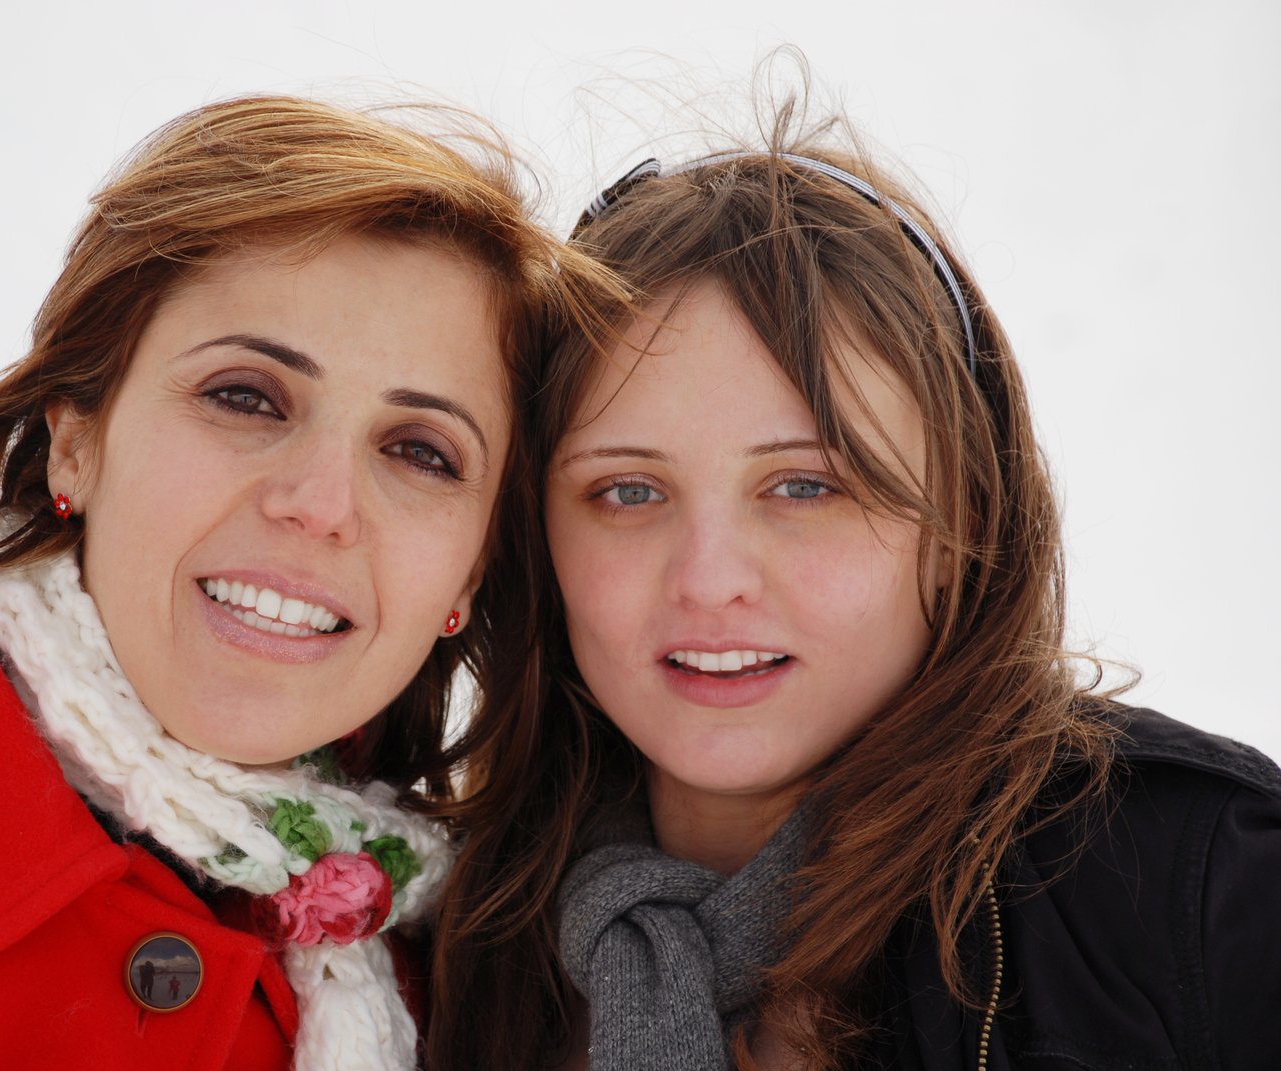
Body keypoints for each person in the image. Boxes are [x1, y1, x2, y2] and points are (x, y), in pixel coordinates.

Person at [0, 95, 617, 1071]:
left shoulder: (477, 996)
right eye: (245, 397)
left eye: (421, 453)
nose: (320, 502)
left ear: (472, 570)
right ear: (76, 439)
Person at [429, 111, 1281, 1069]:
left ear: (966, 518)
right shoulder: (430, 943)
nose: (709, 578)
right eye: (627, 491)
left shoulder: (1208, 883)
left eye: (806, 486)